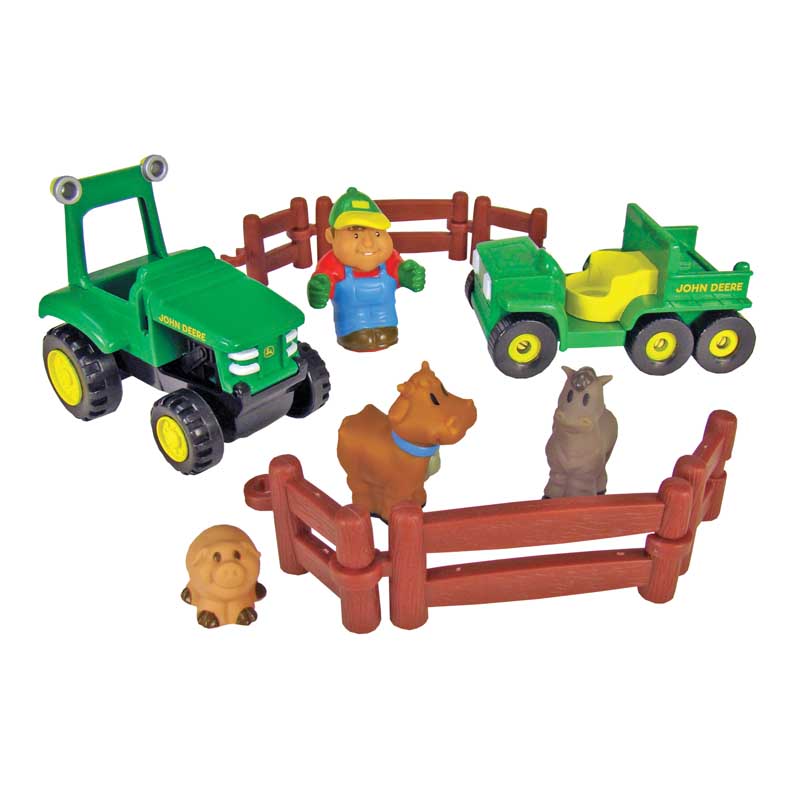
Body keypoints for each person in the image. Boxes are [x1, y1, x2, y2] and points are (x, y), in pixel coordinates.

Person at [306, 187, 425, 352]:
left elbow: (400, 273)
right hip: (351, 326)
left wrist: (410, 276)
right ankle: (356, 332)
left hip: (387, 321)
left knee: (386, 334)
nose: (369, 243)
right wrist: (319, 290)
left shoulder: (390, 259)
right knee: (358, 337)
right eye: (356, 235)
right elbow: (324, 282)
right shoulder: (332, 264)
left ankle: (383, 330)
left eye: (377, 234)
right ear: (331, 236)